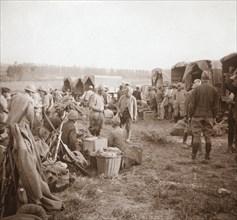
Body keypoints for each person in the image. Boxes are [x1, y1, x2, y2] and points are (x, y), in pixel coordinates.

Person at [188, 71, 219, 160]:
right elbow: (216, 107)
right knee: (208, 136)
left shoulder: (196, 90)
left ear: (201, 79)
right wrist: (214, 117)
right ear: (209, 79)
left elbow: (191, 105)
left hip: (197, 115)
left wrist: (190, 115)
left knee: (196, 136)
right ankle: (207, 156)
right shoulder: (214, 90)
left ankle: (194, 157)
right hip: (209, 116)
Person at [183, 79, 201, 146]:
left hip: (196, 114)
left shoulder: (199, 94)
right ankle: (184, 141)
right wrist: (185, 115)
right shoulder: (189, 93)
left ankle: (192, 143)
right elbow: (185, 104)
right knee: (188, 128)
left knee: (195, 129)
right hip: (189, 114)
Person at [225, 69, 237, 153]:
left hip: (234, 111)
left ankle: (232, 147)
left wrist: (233, 76)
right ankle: (231, 147)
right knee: (232, 129)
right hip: (232, 111)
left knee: (233, 130)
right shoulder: (234, 90)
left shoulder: (234, 90)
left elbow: (227, 83)